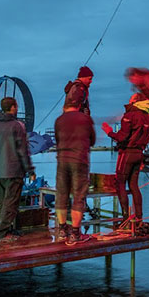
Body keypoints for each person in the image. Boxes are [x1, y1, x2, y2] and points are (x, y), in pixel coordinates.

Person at [0, 97, 35, 244]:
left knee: (2, 201)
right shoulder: (18, 126)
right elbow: (22, 150)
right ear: (13, 107)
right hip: (13, 170)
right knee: (11, 203)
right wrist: (30, 170)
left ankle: (6, 229)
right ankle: (1, 234)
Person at [102, 93, 149, 225]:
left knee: (120, 183)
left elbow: (121, 137)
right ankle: (139, 218)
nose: (129, 99)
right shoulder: (148, 118)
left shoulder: (130, 115)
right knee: (134, 185)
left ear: (136, 101)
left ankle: (125, 219)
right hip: (139, 153)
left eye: (131, 98)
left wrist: (108, 132)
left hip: (127, 153)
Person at [53, 102, 95, 245]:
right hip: (79, 160)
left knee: (62, 194)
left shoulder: (59, 120)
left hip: (62, 160)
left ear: (64, 107)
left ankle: (62, 230)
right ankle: (75, 233)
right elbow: (92, 140)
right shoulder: (85, 119)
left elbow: (58, 141)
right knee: (78, 196)